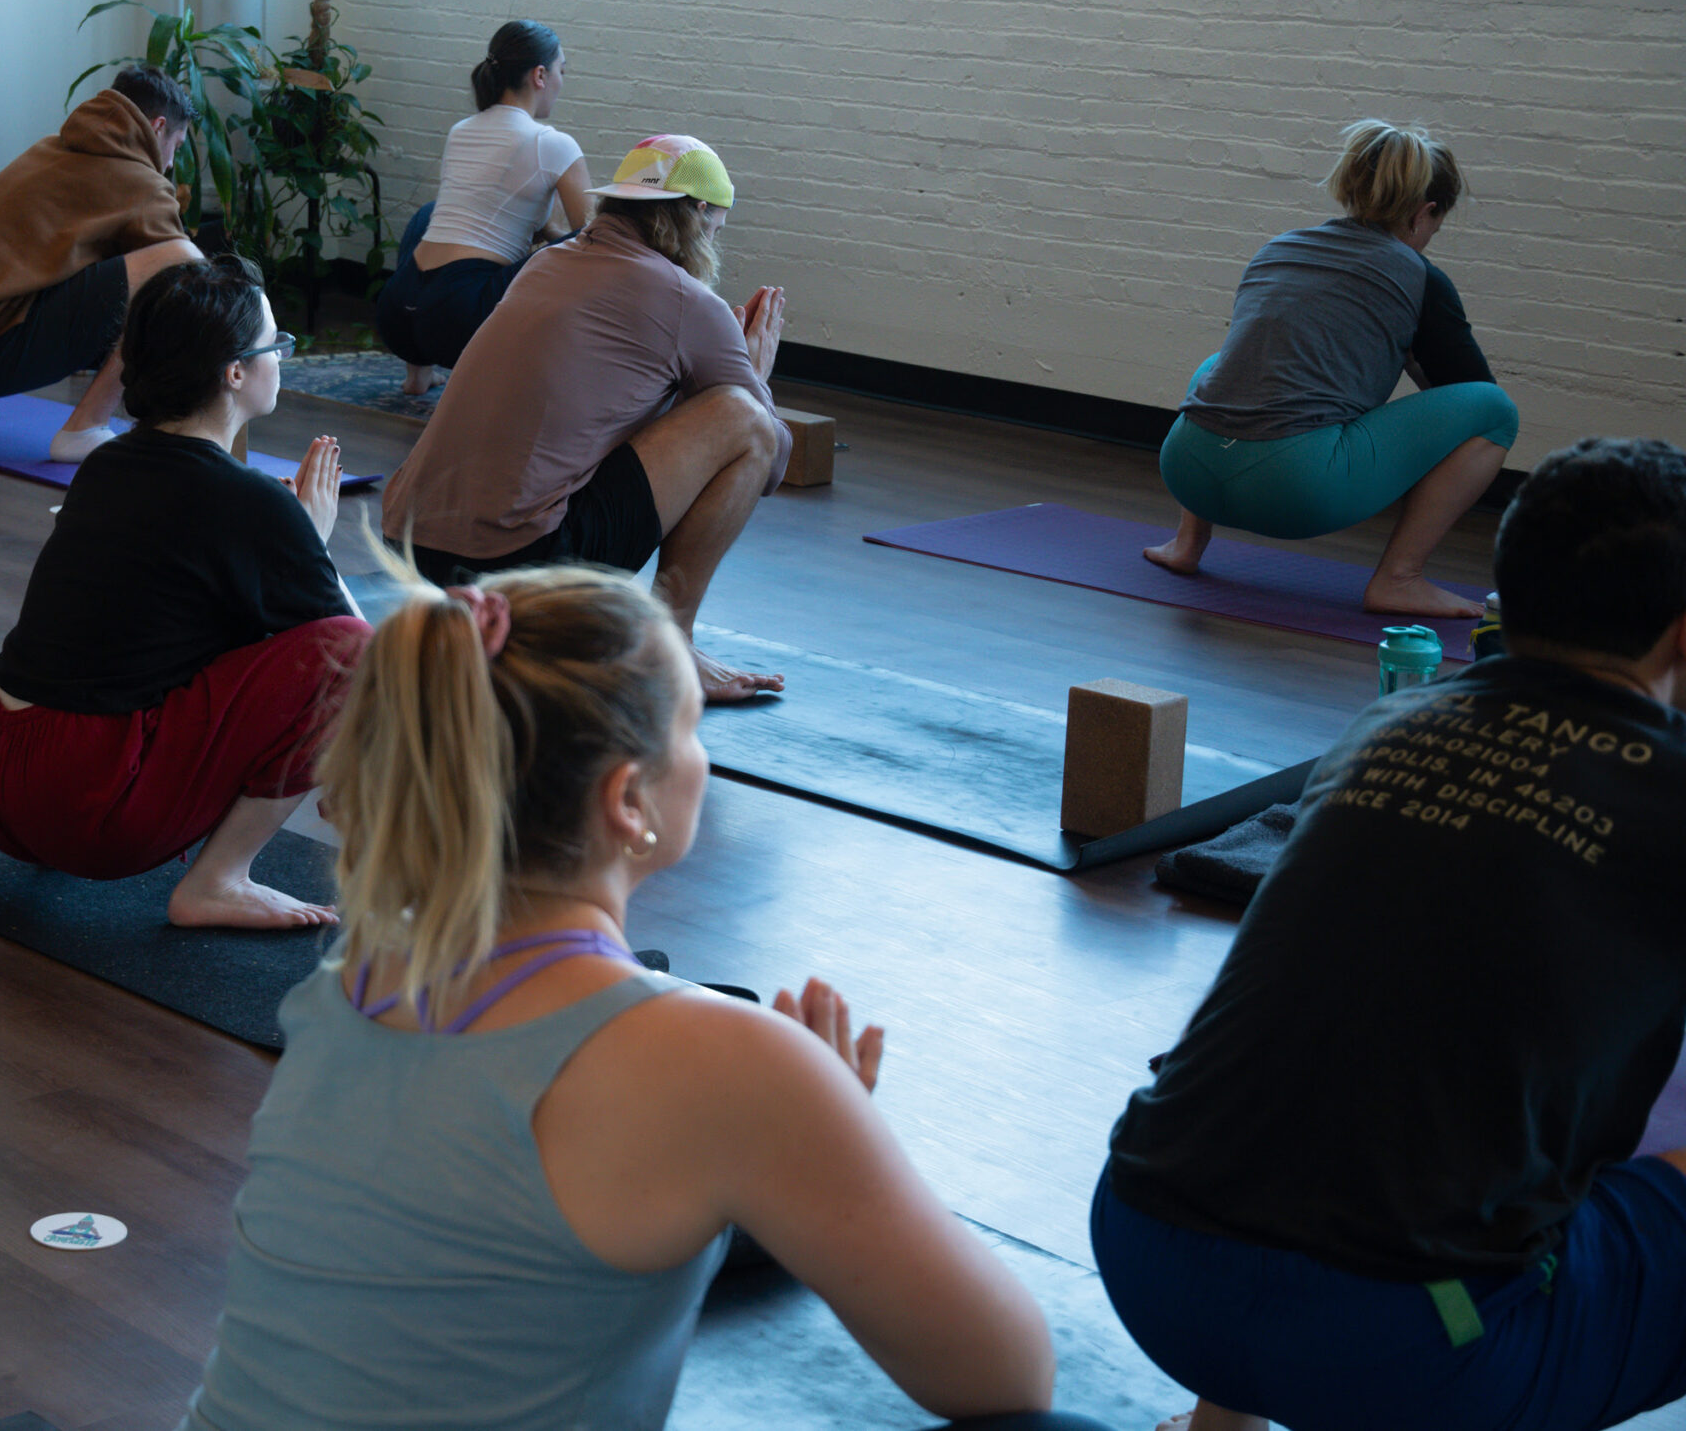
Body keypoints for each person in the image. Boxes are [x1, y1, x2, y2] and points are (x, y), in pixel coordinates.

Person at [178, 565, 1110, 1431]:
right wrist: (832, 1131)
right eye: (691, 729)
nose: (701, 753)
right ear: (629, 799)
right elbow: (1011, 1376)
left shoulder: (353, 982)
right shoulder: (729, 1062)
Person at [1096, 436, 1686, 1431]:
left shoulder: (1385, 727)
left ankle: (1217, 1425)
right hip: (1400, 1347)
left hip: (1148, 1248)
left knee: (1355, 1041)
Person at [0, 257, 369, 931]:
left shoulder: (105, 464)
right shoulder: (249, 500)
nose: (281, 360)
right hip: (82, 801)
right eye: (276, 346)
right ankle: (220, 881)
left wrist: (292, 541)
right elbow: (359, 658)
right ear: (235, 372)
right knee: (352, 653)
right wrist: (309, 540)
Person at [381, 133, 793, 704]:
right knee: (744, 417)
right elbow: (769, 460)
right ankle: (671, 645)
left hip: (411, 549)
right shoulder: (686, 299)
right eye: (716, 230)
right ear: (699, 214)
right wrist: (756, 377)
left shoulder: (546, 262)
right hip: (517, 565)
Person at [1144, 120, 1520, 618]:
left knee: (1220, 365)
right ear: (1423, 213)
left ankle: (1187, 544)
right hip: (1292, 492)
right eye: (1435, 225)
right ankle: (1399, 579)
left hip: (1186, 469)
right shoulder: (1420, 278)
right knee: (1497, 411)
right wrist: (1408, 347)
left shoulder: (1279, 248)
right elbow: (1467, 397)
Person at [0, 63, 207, 459]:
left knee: (25, 255)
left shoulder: (46, 151)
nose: (170, 164)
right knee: (179, 259)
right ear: (158, 126)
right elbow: (188, 272)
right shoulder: (142, 182)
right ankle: (85, 428)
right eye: (176, 147)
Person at [374, 19, 590, 396]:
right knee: (596, 242)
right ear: (540, 75)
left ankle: (417, 374)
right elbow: (595, 238)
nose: (562, 81)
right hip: (459, 323)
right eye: (562, 70)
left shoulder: (462, 130)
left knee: (430, 213)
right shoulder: (553, 143)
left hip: (396, 315)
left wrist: (546, 234)